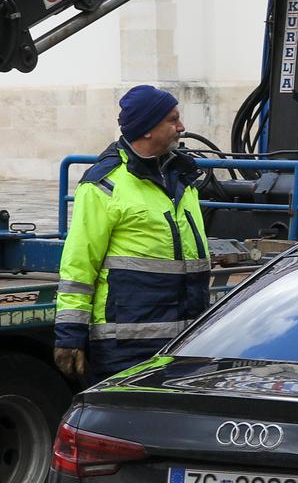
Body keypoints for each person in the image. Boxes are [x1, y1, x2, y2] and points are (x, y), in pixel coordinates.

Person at [53, 86, 211, 386]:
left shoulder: (183, 178)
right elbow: (78, 267)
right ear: (148, 129)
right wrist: (70, 335)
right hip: (125, 348)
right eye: (172, 120)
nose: (181, 127)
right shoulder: (104, 184)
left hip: (185, 343)